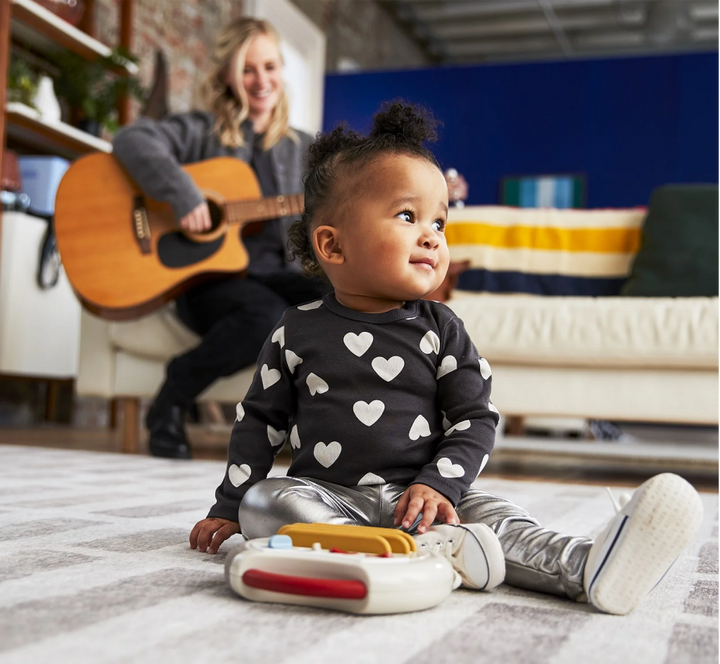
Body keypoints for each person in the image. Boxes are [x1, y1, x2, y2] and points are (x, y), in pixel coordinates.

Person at [189, 101, 704, 614]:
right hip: (330, 499)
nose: (432, 236)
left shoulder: (442, 329)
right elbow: (259, 422)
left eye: (441, 222)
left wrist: (439, 485)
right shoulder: (295, 328)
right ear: (333, 245)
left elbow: (476, 418)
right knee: (268, 503)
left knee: (500, 518)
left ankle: (587, 566)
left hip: (429, 494)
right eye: (409, 216)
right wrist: (231, 506)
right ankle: (403, 555)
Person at [113, 17, 327, 459]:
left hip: (279, 273)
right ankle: (172, 397)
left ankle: (328, 430)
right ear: (228, 74)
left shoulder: (306, 148)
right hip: (207, 280)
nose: (261, 80)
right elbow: (132, 139)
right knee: (265, 316)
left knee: (340, 296)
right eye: (248, 68)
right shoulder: (200, 130)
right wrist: (183, 195)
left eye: (270, 66)